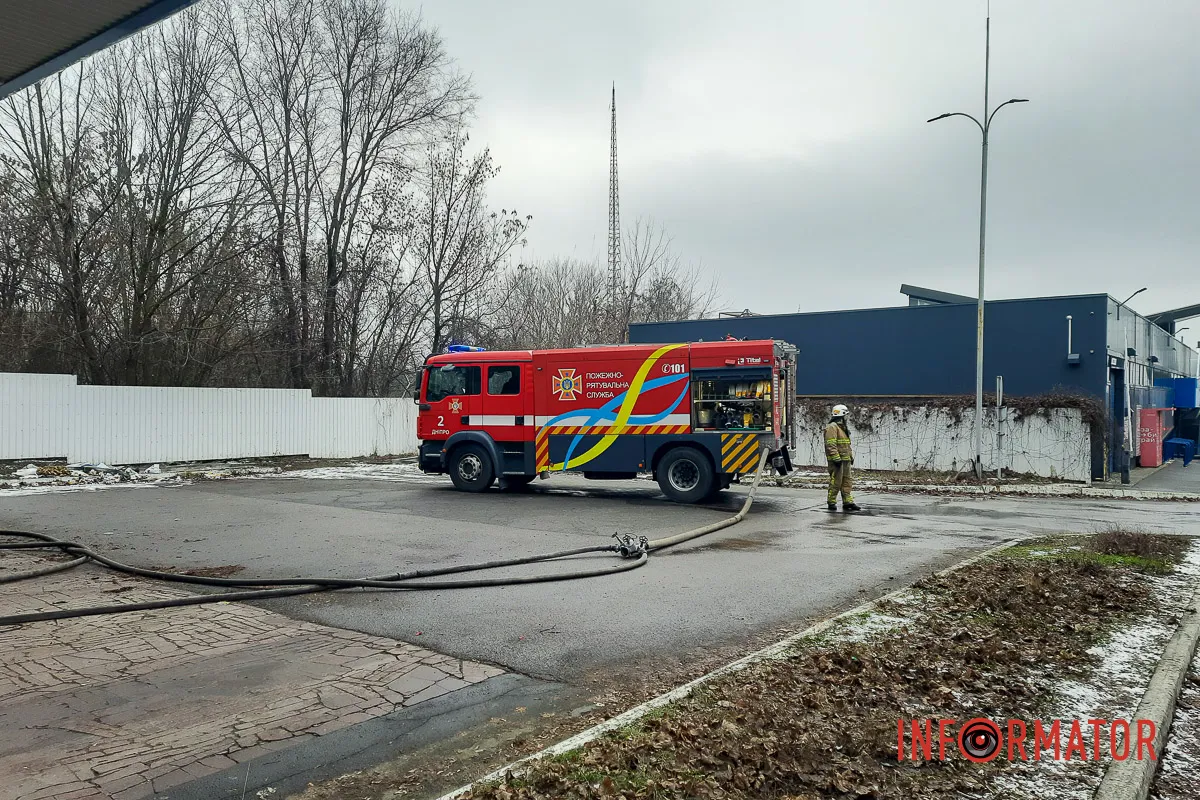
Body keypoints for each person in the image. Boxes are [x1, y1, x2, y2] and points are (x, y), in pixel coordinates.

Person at [825, 404, 860, 512]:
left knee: (847, 481)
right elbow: (830, 444)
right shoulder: (832, 427)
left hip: (845, 459)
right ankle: (831, 501)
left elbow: (846, 445)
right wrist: (836, 458)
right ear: (842, 415)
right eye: (846, 415)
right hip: (837, 460)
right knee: (836, 482)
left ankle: (847, 502)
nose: (847, 417)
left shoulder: (842, 428)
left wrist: (850, 457)